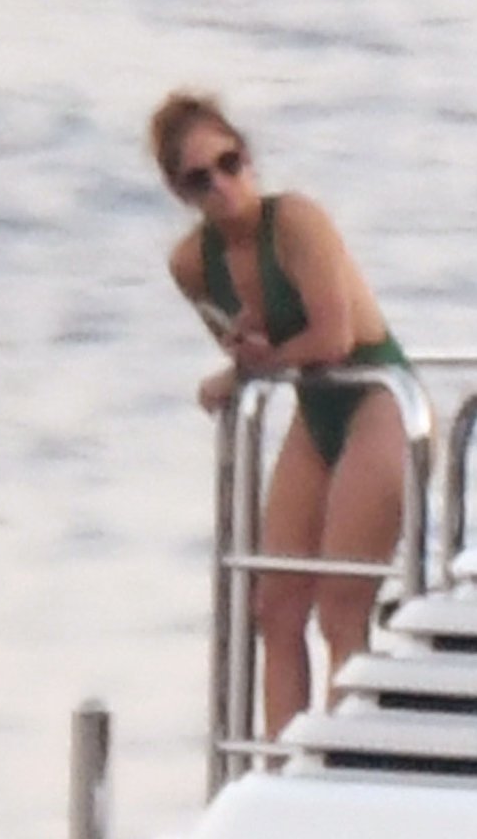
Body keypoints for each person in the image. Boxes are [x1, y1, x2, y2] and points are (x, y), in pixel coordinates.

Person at [151, 91, 413, 738]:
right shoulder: (192, 263)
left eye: (230, 163)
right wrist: (240, 363)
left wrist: (253, 367)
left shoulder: (294, 221)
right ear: (181, 192)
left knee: (341, 606)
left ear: (248, 158)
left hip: (373, 395)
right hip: (313, 404)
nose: (223, 186)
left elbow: (333, 337)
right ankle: (281, 764)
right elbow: (249, 349)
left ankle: (344, 761)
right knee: (275, 606)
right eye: (200, 179)